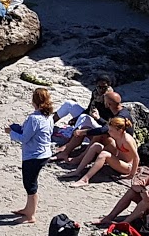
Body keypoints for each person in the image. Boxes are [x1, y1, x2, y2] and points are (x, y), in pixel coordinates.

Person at [12, 86, 55, 224]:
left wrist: (11, 133)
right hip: (44, 153)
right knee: (31, 182)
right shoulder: (48, 117)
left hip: (34, 155)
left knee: (30, 184)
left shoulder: (34, 118)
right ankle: (28, 209)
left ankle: (31, 216)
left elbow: (24, 138)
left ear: (34, 101)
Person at [55, 86, 121, 163]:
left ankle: (71, 147)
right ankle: (49, 124)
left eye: (103, 88)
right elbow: (88, 109)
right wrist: (76, 118)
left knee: (85, 120)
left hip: (102, 129)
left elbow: (107, 127)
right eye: (99, 87)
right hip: (95, 122)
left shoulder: (112, 107)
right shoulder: (96, 94)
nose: (101, 90)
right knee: (70, 105)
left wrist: (97, 119)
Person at [69, 116, 137, 185]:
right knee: (96, 146)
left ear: (119, 130)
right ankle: (77, 171)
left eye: (111, 130)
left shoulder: (127, 141)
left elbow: (136, 157)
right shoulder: (118, 136)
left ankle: (85, 179)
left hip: (127, 166)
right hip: (118, 158)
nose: (109, 132)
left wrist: (131, 175)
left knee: (104, 154)